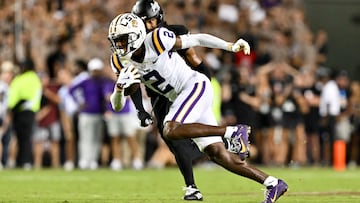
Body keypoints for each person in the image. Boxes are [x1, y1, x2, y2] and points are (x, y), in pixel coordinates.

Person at [107, 13, 288, 203]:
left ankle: (232, 131)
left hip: (193, 86)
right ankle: (272, 183)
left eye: (122, 40)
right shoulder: (120, 61)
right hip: (182, 99)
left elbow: (198, 38)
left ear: (135, 35)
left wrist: (230, 46)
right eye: (115, 41)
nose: (118, 46)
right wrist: (119, 89)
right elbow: (117, 106)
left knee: (170, 128)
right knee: (218, 154)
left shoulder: (156, 39)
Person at [131, 0, 212, 200]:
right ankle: (225, 143)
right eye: (144, 22)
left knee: (177, 136)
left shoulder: (172, 33)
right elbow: (131, 76)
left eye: (151, 21)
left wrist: (204, 80)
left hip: (183, 88)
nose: (149, 26)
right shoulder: (135, 41)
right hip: (158, 94)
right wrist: (140, 108)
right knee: (171, 138)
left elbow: (193, 57)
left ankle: (192, 185)